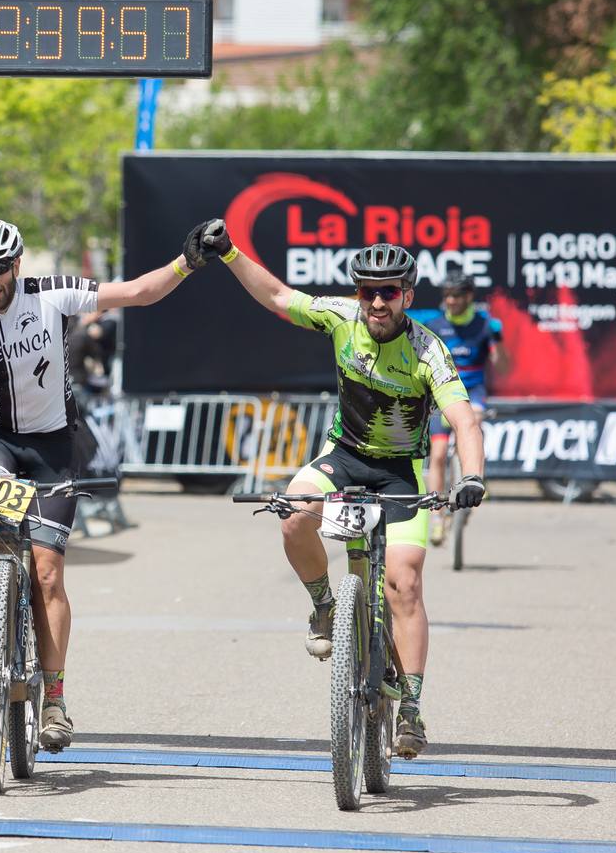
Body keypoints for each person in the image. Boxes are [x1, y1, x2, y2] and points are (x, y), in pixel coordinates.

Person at [0, 217, 210, 752]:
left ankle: (56, 700)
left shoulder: (53, 295)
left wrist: (189, 261)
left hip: (53, 446)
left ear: (17, 264)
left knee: (47, 573)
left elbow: (137, 292)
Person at [198, 219, 485, 758]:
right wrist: (230, 252)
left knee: (405, 583)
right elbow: (279, 296)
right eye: (369, 291)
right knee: (292, 513)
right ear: (358, 292)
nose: (378, 302)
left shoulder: (428, 350)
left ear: (407, 295)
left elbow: (464, 421)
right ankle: (325, 605)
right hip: (345, 458)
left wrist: (472, 477)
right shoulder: (340, 318)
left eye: (390, 292)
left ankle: (414, 708)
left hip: (400, 473)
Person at [421, 270, 508, 545]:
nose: (450, 300)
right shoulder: (434, 325)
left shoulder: (484, 326)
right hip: (441, 393)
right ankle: (437, 515)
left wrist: (499, 341)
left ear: (469, 297)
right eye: (446, 295)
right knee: (436, 455)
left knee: (474, 424)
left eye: (456, 295)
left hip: (472, 393)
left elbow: (503, 368)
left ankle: (474, 475)